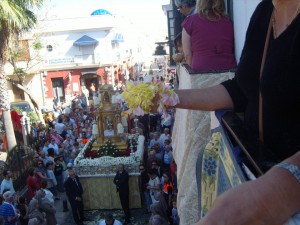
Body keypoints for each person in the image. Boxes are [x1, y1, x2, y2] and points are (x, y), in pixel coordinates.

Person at [157, 0, 300, 224]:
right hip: (253, 168)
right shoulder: (264, 11)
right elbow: (242, 90)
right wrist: (173, 98)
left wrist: (270, 192)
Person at [182, 0, 237, 73]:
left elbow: (187, 55)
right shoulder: (229, 22)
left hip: (201, 71)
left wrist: (191, 74)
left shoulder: (190, 21)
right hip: (228, 70)